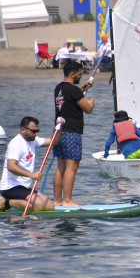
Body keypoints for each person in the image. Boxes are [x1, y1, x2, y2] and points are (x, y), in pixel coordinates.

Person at [0, 116, 65, 212]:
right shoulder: (16, 143)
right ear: (23, 129)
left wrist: (59, 126)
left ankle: (5, 199)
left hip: (24, 187)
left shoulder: (33, 141)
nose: (36, 134)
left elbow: (54, 141)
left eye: (37, 131)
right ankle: (6, 202)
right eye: (33, 131)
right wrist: (32, 175)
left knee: (50, 206)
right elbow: (11, 166)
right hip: (11, 187)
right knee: (38, 207)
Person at [53, 61, 94, 206]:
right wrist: (91, 103)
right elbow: (87, 109)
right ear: (72, 74)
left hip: (58, 132)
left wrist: (81, 88)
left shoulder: (59, 88)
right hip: (71, 132)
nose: (80, 76)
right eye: (79, 74)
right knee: (72, 165)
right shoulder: (74, 90)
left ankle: (58, 200)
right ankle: (68, 200)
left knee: (61, 166)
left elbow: (70, 98)